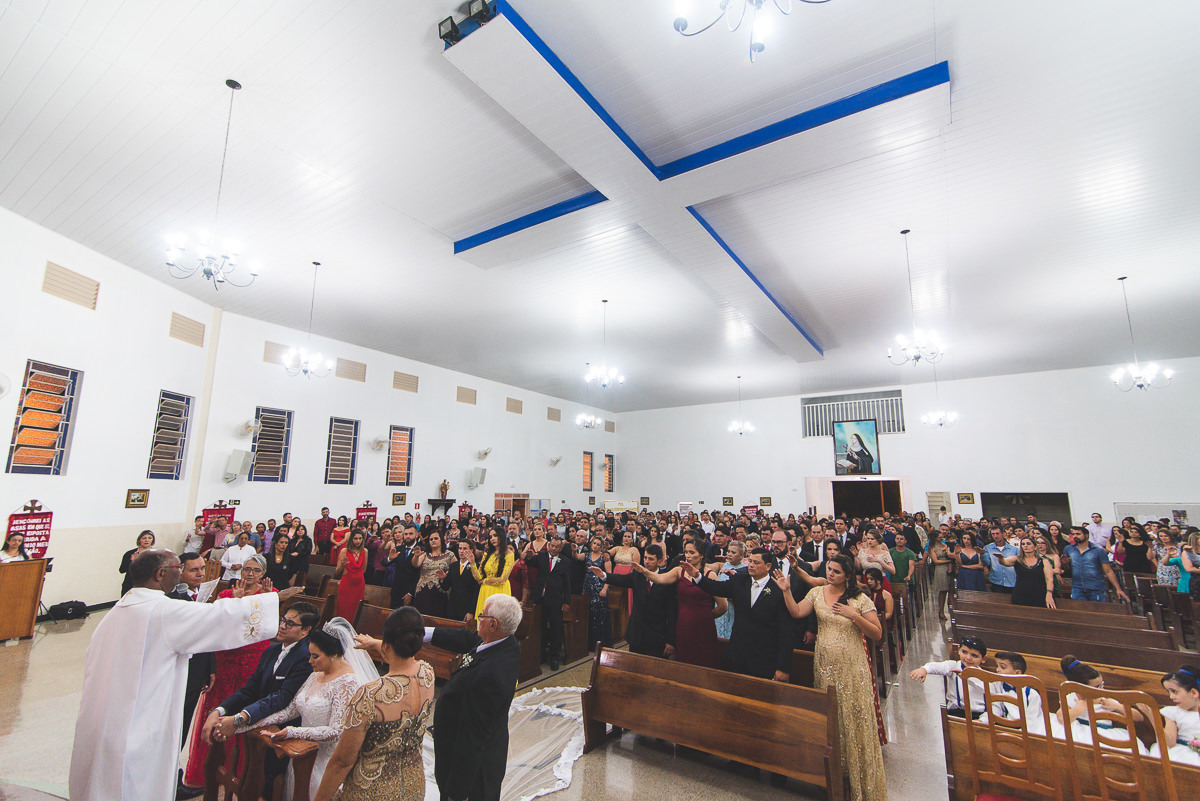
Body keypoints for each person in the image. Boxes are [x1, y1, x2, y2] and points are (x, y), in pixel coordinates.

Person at [69, 550, 300, 801]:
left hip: (103, 717)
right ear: (160, 574)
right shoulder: (162, 610)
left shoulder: (117, 611)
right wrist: (272, 600)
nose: (180, 573)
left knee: (102, 781)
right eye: (178, 568)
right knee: (134, 781)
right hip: (140, 719)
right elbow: (217, 617)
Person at [773, 555, 886, 801]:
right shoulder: (817, 593)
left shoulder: (859, 598)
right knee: (831, 719)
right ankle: (834, 776)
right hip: (825, 666)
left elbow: (877, 633)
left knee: (852, 717)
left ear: (847, 575)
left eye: (836, 571)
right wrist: (786, 591)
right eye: (829, 569)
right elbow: (796, 612)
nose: (831, 573)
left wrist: (853, 616)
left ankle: (856, 776)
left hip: (852, 668)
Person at [240, 619, 378, 800]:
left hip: (326, 763)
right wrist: (251, 722)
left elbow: (336, 731)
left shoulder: (348, 683)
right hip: (302, 756)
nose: (310, 661)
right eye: (310, 655)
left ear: (334, 654)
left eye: (315, 656)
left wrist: (291, 731)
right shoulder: (315, 675)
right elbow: (292, 710)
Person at [184, 556, 292, 787]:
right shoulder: (227, 594)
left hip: (255, 656)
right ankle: (209, 768)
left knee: (246, 704)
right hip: (227, 656)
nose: (249, 574)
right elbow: (216, 627)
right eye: (246, 569)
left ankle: (241, 768)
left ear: (263, 573)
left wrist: (266, 600)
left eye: (255, 570)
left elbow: (274, 629)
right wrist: (235, 602)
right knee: (219, 703)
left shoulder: (270, 594)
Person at [316, 607, 434, 801]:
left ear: (388, 645)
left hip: (371, 792)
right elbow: (405, 654)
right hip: (413, 787)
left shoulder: (370, 695)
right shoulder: (427, 673)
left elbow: (341, 762)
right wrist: (376, 643)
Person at [429, 594, 523, 801]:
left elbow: (473, 738)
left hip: (474, 773)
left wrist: (456, 792)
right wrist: (424, 633)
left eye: (481, 616)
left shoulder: (491, 674)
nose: (477, 620)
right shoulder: (505, 643)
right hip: (471, 753)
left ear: (493, 624)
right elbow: (467, 639)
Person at [684, 548, 793, 681]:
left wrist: (782, 667)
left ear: (768, 566)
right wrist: (697, 576)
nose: (751, 565)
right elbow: (717, 588)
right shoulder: (741, 580)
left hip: (764, 657)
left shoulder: (779, 589)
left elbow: (785, 631)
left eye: (756, 562)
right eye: (750, 561)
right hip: (739, 653)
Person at [167, 553, 216, 796]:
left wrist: (211, 668)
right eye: (193, 570)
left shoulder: (202, 594)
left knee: (184, 724)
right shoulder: (172, 598)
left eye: (202, 568)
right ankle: (168, 781)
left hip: (197, 672)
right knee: (172, 726)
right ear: (179, 572)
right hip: (178, 673)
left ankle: (175, 778)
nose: (200, 573)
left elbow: (207, 634)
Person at [635, 541, 727, 669]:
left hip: (703, 626)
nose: (688, 556)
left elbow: (723, 606)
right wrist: (644, 571)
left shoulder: (709, 574)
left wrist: (706, 616)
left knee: (704, 661)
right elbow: (660, 579)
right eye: (686, 552)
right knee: (684, 661)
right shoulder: (679, 571)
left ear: (701, 555)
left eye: (691, 552)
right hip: (683, 624)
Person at [591, 544, 677, 659]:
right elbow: (622, 579)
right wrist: (604, 575)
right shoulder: (638, 575)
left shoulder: (667, 579)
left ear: (660, 561)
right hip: (636, 634)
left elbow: (672, 613)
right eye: (645, 558)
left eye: (651, 559)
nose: (646, 561)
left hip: (657, 637)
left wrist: (670, 641)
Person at [524, 535, 573, 669]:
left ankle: (554, 657)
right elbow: (529, 562)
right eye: (552, 545)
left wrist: (567, 602)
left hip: (555, 600)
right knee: (540, 628)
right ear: (549, 545)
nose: (553, 548)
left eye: (557, 546)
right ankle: (541, 655)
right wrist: (528, 556)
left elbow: (568, 584)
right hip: (539, 598)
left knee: (556, 629)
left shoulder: (565, 561)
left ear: (561, 548)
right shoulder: (542, 556)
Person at [910, 637, 989, 719]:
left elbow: (986, 691)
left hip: (978, 714)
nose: (968, 658)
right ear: (959, 650)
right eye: (964, 652)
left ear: (983, 659)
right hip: (957, 712)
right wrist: (924, 669)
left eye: (974, 655)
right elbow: (936, 666)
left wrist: (967, 678)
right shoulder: (953, 666)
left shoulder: (984, 675)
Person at [1062, 526, 1129, 603]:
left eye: (1078, 534)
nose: (1075, 536)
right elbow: (1067, 569)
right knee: (1080, 612)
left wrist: (1118, 588)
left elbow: (1108, 571)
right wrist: (1065, 564)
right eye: (1073, 534)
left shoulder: (1098, 551)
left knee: (1097, 611)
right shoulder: (1068, 549)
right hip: (1077, 587)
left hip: (1095, 587)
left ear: (1086, 535)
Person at [1149, 666, 1200, 766]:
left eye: (1175, 692)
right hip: (1183, 754)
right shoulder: (1173, 712)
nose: (1171, 697)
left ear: (1193, 693)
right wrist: (1152, 718)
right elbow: (1170, 741)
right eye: (1169, 692)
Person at [995, 535, 1056, 608]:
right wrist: (1000, 558)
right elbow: (1004, 562)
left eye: (1028, 544)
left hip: (1039, 595)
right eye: (1023, 544)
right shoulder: (1017, 559)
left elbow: (1049, 579)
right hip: (1021, 594)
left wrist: (1049, 594)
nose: (1025, 546)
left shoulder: (1044, 561)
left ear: (1035, 547)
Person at [470, 528, 514, 617]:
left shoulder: (509, 554)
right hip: (485, 591)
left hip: (499, 591)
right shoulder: (487, 553)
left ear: (501, 536)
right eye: (490, 537)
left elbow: (503, 579)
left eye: (495, 536)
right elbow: (479, 578)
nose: (492, 539)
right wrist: (472, 563)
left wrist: (485, 581)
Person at [413, 530, 454, 617]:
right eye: (431, 539)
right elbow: (416, 564)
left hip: (441, 593)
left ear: (441, 540)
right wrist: (416, 556)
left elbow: (455, 571)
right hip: (423, 592)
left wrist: (446, 577)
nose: (433, 541)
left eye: (436, 538)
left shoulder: (450, 555)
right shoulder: (424, 554)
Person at [583, 535, 613, 648]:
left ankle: (600, 643)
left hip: (599, 588)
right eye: (594, 543)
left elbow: (609, 576)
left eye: (598, 544)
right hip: (587, 587)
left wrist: (604, 589)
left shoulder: (605, 558)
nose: (595, 546)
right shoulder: (587, 555)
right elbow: (576, 556)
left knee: (599, 616)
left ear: (601, 547)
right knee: (589, 614)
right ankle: (590, 643)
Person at [336, 529, 368, 621]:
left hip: (359, 585)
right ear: (351, 539)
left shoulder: (365, 551)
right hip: (347, 584)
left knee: (356, 610)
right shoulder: (344, 551)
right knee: (344, 610)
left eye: (360, 538)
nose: (358, 541)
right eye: (355, 539)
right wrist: (342, 565)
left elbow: (364, 570)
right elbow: (337, 571)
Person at [447, 541, 480, 623]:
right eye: (460, 548)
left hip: (467, 608)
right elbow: (446, 586)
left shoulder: (476, 567)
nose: (461, 551)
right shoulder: (453, 566)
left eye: (464, 548)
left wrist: (471, 612)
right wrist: (442, 578)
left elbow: (476, 591)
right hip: (453, 608)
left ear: (471, 550)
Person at [119, 530, 156, 595]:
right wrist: (132, 561)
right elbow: (122, 570)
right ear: (139, 540)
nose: (147, 540)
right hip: (131, 585)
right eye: (144, 538)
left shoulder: (156, 554)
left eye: (149, 538)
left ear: (152, 540)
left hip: (149, 586)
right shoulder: (130, 553)